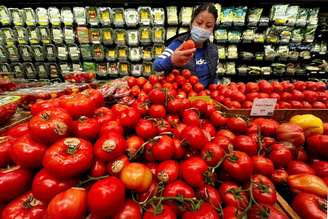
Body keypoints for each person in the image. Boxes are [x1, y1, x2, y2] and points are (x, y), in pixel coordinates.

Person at [153, 3, 219, 87]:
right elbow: (156, 65)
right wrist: (172, 60)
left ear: (213, 28)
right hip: (181, 97)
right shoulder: (178, 45)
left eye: (208, 26)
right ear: (191, 23)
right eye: (199, 23)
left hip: (204, 98)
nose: (203, 28)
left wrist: (215, 91)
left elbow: (214, 76)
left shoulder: (213, 50)